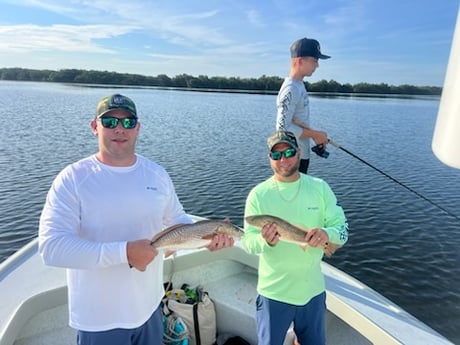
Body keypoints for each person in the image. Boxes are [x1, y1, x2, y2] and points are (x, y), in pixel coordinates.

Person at [38, 93, 235, 345]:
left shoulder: (156, 174)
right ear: (94, 126)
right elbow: (52, 248)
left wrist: (208, 236)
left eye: (128, 122)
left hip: (150, 309)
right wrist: (125, 253)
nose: (120, 129)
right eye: (109, 122)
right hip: (99, 320)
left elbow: (178, 221)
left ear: (138, 128)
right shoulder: (73, 178)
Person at [241, 130, 348, 345]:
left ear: (299, 153)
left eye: (289, 152)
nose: (283, 160)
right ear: (269, 158)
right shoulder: (258, 195)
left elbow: (343, 229)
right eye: (276, 155)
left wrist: (327, 234)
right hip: (273, 295)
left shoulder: (320, 188)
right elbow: (247, 242)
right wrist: (265, 241)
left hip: (312, 293)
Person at [276, 37, 331, 173]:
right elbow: (283, 129)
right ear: (300, 61)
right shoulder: (291, 89)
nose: (317, 65)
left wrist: (314, 136)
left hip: (301, 157)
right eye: (315, 60)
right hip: (292, 160)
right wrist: (314, 134)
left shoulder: (299, 85)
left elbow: (296, 122)